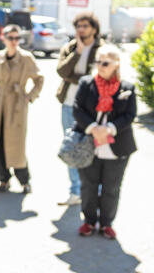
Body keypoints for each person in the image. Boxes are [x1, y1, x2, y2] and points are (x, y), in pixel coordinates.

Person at [71, 44, 136, 239]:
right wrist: (93, 128)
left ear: (116, 64)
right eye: (98, 62)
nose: (100, 66)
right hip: (89, 144)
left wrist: (109, 129)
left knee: (111, 188)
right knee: (88, 185)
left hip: (116, 145)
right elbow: (77, 108)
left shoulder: (127, 88)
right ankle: (89, 221)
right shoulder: (86, 83)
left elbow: (130, 115)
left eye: (105, 63)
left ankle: (106, 223)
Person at [0, 24, 44, 193]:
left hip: (16, 104)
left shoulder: (26, 58)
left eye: (17, 38)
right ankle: (3, 179)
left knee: (16, 143)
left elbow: (39, 79)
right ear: (4, 39)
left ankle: (24, 181)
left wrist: (29, 96)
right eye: (11, 38)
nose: (14, 41)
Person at [55, 12, 105, 206]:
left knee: (94, 148)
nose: (81, 30)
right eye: (78, 26)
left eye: (85, 26)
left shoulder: (102, 50)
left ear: (94, 28)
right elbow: (62, 71)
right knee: (72, 146)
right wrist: (77, 53)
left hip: (93, 108)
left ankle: (94, 190)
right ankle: (75, 191)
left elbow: (96, 78)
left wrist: (75, 77)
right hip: (69, 105)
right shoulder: (70, 47)